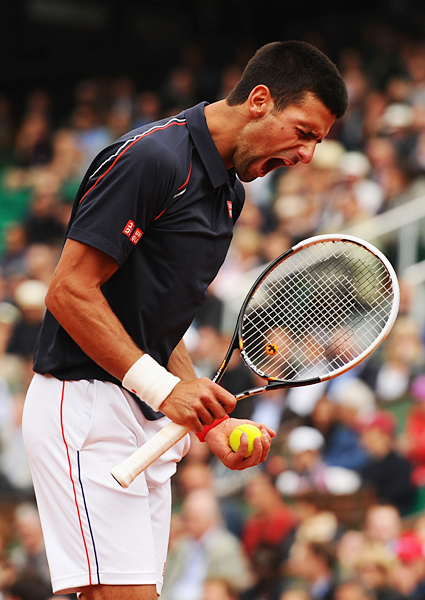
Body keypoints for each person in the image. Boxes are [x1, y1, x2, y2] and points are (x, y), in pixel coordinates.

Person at [21, 40, 348, 600]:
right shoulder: (153, 158)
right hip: (85, 407)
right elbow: (69, 292)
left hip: (143, 417)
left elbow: (160, 324)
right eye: (303, 132)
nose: (307, 155)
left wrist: (209, 425)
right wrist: (166, 390)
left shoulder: (230, 194)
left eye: (317, 141)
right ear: (259, 101)